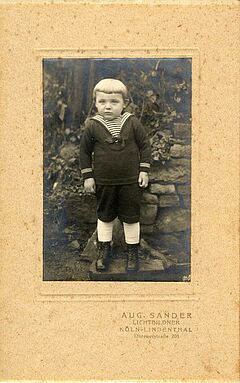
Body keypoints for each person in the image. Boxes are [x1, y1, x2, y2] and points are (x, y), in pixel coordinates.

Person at [80, 78, 151, 272]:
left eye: (114, 102)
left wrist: (144, 170)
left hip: (130, 181)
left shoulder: (132, 122)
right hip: (104, 181)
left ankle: (132, 253)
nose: (108, 107)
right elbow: (84, 153)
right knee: (105, 216)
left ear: (124, 103)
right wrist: (88, 176)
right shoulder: (93, 126)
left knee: (131, 217)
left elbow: (145, 146)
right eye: (102, 102)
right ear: (95, 103)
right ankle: (104, 252)